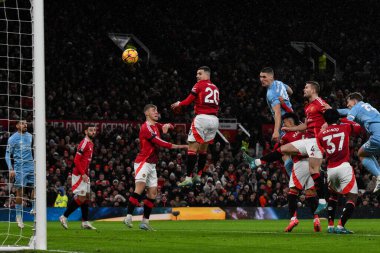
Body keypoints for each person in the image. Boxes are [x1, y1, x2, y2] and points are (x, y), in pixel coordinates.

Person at [251, 81, 328, 213]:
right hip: (309, 141)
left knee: (314, 171)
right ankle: (257, 162)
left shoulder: (320, 103)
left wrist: (326, 127)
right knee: (284, 149)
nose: (304, 89)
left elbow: (332, 114)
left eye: (306, 87)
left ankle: (322, 201)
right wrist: (291, 128)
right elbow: (305, 126)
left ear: (314, 90)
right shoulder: (309, 107)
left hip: (316, 141)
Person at [124, 104, 188, 230]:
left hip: (152, 164)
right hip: (143, 161)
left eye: (157, 110)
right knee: (140, 188)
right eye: (154, 110)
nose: (156, 112)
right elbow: (161, 143)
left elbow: (169, 125)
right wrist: (182, 146)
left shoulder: (155, 125)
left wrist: (168, 126)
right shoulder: (146, 128)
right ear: (146, 113)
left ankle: (144, 222)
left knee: (153, 193)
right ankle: (128, 216)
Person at [171, 66, 219, 187]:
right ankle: (198, 175)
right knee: (203, 150)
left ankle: (188, 178)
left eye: (199, 73)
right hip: (214, 121)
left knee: (192, 149)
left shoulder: (199, 85)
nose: (197, 76)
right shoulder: (215, 87)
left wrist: (179, 104)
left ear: (206, 75)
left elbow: (188, 101)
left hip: (202, 118)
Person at [317, 109, 361, 234]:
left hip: (330, 169)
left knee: (333, 196)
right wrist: (342, 119)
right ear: (337, 118)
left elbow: (322, 150)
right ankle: (341, 226)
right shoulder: (345, 127)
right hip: (343, 166)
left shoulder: (321, 134)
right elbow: (358, 127)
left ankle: (330, 226)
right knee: (352, 196)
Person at [333, 92, 380, 193]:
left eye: (348, 101)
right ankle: (378, 175)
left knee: (361, 154)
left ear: (354, 100)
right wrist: (332, 111)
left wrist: (336, 126)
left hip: (377, 136)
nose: (347, 104)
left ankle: (379, 176)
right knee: (366, 153)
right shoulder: (365, 106)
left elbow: (348, 120)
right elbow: (346, 110)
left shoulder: (356, 108)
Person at [59, 124, 97, 230]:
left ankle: (85, 222)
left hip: (85, 174)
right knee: (81, 198)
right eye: (91, 130)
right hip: (80, 174)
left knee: (86, 197)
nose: (93, 132)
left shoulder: (91, 143)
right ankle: (64, 216)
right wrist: (83, 174)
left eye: (94, 130)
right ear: (86, 131)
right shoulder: (84, 143)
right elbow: (76, 160)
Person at [5, 120, 34, 229]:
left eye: (26, 123)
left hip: (31, 166)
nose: (25, 125)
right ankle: (18, 216)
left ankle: (34, 209)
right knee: (20, 192)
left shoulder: (31, 136)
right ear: (17, 126)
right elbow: (7, 155)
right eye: (22, 123)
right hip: (19, 167)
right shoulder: (12, 138)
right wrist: (10, 169)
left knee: (35, 187)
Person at [259, 67, 293, 142]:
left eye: (264, 77)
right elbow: (291, 91)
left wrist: (276, 131)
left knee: (286, 150)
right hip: (293, 120)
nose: (261, 79)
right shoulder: (279, 83)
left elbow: (278, 112)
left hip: (285, 124)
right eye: (260, 77)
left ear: (271, 77)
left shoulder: (271, 93)